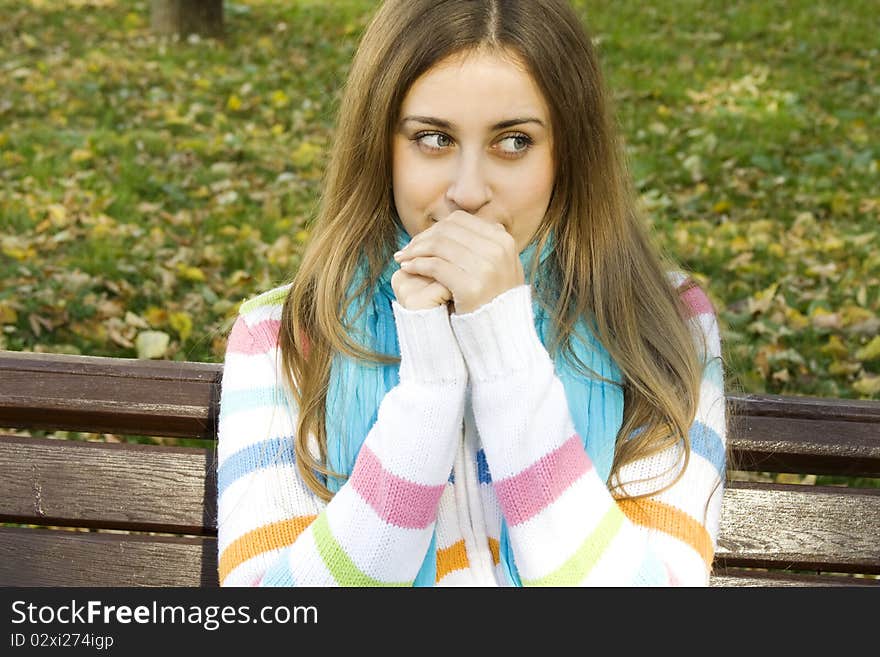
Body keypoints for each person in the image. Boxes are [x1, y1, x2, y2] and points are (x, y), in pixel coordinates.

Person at [216, 0, 727, 587]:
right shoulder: (287, 334)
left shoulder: (660, 323)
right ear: (381, 147)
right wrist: (428, 390)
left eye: (513, 143)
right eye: (433, 138)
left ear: (569, 153)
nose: (468, 192)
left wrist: (505, 352)